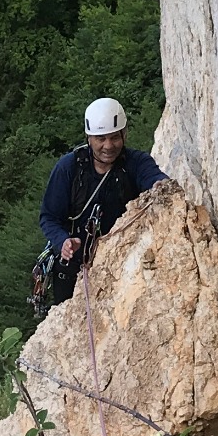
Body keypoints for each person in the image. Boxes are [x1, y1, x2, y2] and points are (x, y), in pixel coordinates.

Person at [39, 97, 167, 304]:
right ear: (89, 138)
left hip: (119, 266)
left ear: (124, 134)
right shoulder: (69, 168)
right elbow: (49, 216)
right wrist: (63, 241)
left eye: (115, 137)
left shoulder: (135, 163)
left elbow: (153, 178)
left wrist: (160, 185)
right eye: (101, 139)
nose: (108, 146)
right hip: (73, 269)